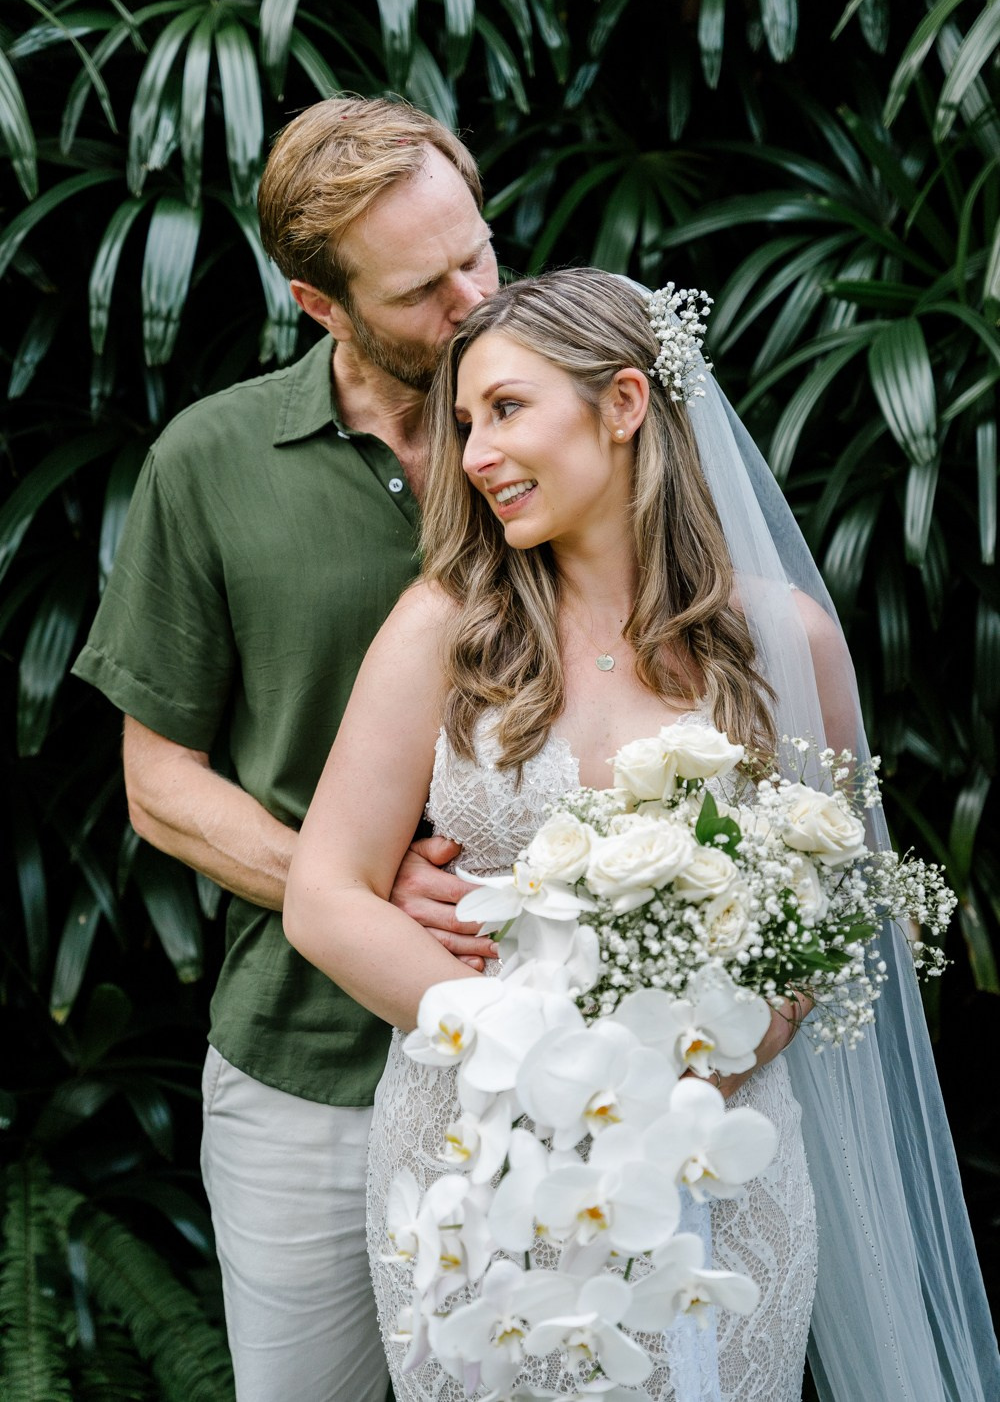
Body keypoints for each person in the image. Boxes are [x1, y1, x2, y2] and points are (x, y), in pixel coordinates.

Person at [284, 269, 1000, 1401]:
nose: (473, 455)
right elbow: (323, 894)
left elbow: (824, 896)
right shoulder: (442, 630)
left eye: (507, 411)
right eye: (465, 423)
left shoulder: (786, 643)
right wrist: (523, 1049)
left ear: (622, 404)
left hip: (712, 1140)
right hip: (478, 1145)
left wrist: (755, 1030)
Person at [72, 96, 500, 1402]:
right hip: (310, 1082)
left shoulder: (582, 427)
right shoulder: (210, 461)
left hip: (561, 1064)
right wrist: (361, 886)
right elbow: (159, 789)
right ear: (321, 306)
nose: (476, 300)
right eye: (426, 290)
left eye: (480, 251)